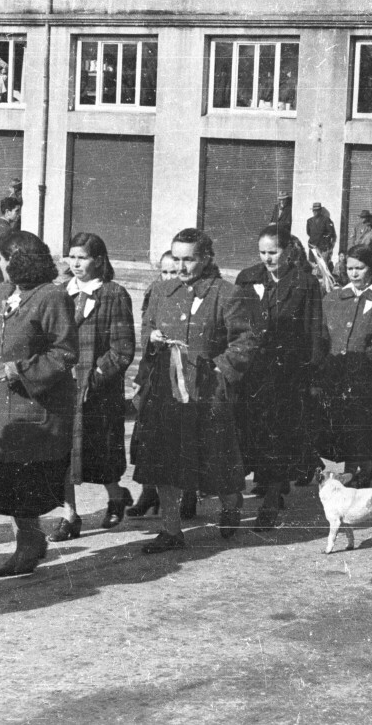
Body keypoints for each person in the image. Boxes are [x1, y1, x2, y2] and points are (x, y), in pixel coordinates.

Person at [132, 229, 259, 554]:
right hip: (166, 391)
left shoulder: (227, 294)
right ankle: (171, 529)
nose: (182, 265)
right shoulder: (161, 290)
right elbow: (147, 326)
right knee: (164, 459)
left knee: (215, 460)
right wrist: (152, 339)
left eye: (189, 259)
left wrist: (218, 369)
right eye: (177, 258)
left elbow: (245, 341)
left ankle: (231, 503)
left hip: (206, 393)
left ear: (206, 258)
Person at [0, 231, 77, 577]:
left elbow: (64, 352)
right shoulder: (3, 292)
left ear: (17, 260)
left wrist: (21, 369)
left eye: (2, 259)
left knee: (23, 480)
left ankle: (29, 544)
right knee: (3, 476)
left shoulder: (52, 297)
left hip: (29, 404)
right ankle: (29, 541)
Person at [43, 233, 137, 543]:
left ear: (98, 260)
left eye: (82, 257)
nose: (75, 263)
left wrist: (94, 377)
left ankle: (116, 495)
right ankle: (70, 515)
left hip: (98, 390)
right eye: (71, 256)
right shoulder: (60, 293)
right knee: (62, 454)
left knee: (101, 451)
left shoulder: (113, 294)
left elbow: (122, 349)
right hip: (61, 387)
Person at [234, 225, 323, 529]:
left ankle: (271, 499)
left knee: (280, 434)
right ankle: (264, 486)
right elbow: (236, 323)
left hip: (287, 373)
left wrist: (312, 373)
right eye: (263, 252)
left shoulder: (304, 283)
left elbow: (313, 331)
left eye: (274, 252)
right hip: (252, 372)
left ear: (288, 251)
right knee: (252, 431)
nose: (268, 258)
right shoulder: (247, 277)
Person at [317, 245, 372, 487]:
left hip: (368, 377)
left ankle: (361, 469)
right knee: (344, 423)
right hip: (337, 375)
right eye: (350, 268)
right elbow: (322, 335)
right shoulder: (333, 298)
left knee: (363, 424)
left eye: (360, 268)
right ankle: (353, 467)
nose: (354, 273)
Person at [125, 250, 180, 519]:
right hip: (155, 371)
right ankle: (148, 493)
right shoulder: (155, 293)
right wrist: (139, 378)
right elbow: (145, 333)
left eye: (175, 272)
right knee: (146, 436)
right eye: (165, 271)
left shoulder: (188, 296)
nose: (169, 277)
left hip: (182, 374)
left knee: (181, 437)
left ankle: (186, 495)